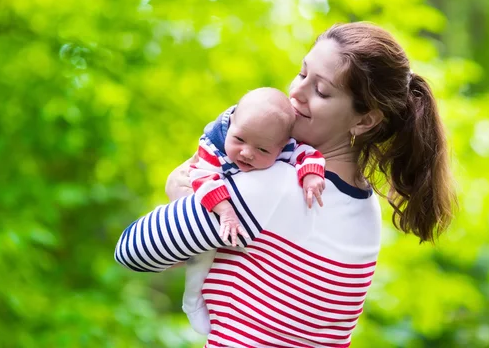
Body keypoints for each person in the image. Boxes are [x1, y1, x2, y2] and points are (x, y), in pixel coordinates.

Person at [115, 22, 456, 347]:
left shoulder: (276, 187)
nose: (296, 92)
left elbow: (132, 251)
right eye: (302, 73)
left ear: (364, 120)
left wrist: (181, 196)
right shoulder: (363, 208)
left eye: (321, 90)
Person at [184, 87, 327, 335]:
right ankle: (192, 301)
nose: (247, 153)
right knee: (201, 259)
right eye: (239, 140)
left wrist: (311, 174)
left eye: (263, 150)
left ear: (281, 146)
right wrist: (225, 210)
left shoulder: (286, 146)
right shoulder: (214, 143)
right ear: (231, 125)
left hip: (251, 239)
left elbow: (308, 153)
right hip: (214, 208)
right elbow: (200, 177)